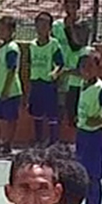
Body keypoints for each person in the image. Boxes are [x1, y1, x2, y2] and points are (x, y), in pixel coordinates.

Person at [69, 40, 102, 204]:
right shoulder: (83, 84)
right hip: (82, 135)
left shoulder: (101, 89)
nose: (86, 69)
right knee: (81, 174)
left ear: (98, 68)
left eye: (90, 66)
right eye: (83, 66)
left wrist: (100, 120)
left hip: (95, 137)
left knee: (93, 177)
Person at [26, 10, 66, 144]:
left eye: (45, 26)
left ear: (49, 28)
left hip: (48, 84)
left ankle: (53, 141)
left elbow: (60, 63)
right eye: (39, 25)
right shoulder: (32, 45)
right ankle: (39, 140)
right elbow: (29, 64)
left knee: (52, 115)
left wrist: (55, 72)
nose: (41, 29)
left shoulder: (53, 44)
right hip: (36, 83)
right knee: (37, 114)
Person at [0, 16, 23, 155]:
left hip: (10, 90)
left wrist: (6, 89)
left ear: (12, 31)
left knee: (10, 118)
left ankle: (7, 143)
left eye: (3, 29)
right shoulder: (2, 47)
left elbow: (12, 70)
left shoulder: (12, 48)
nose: (0, 32)